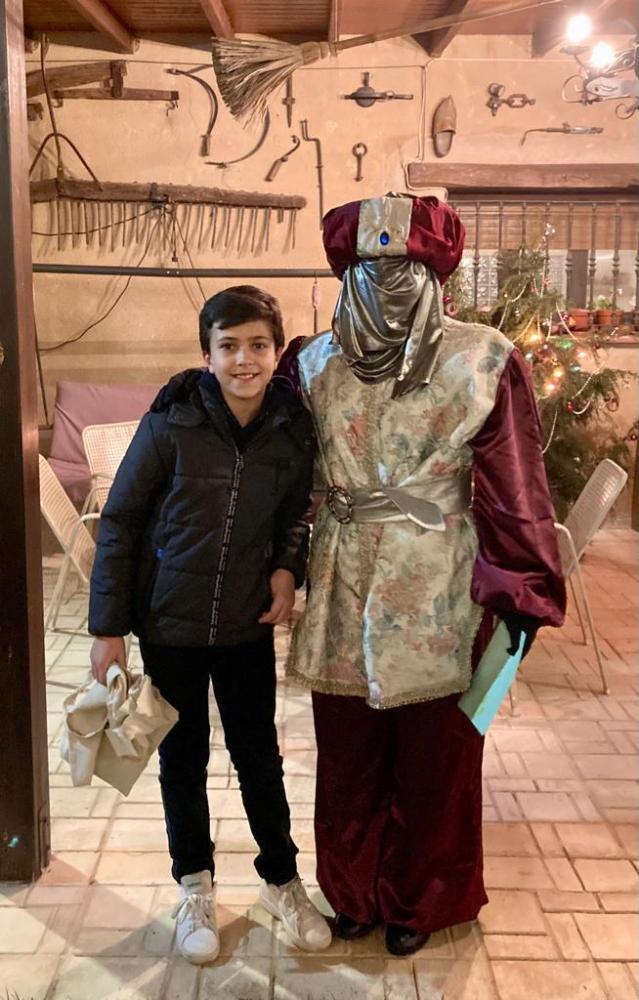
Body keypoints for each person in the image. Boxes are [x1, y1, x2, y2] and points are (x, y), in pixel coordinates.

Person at [283, 194, 567, 956]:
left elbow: (513, 485)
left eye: (402, 270)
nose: (387, 286)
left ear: (433, 276)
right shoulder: (310, 362)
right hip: (341, 575)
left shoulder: (483, 358)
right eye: (370, 271)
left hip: (440, 581)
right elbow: (282, 474)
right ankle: (352, 889)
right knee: (347, 752)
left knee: (436, 755)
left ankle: (423, 896)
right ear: (347, 274)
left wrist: (519, 587)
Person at [88, 286, 331, 965]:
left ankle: (281, 881)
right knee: (182, 759)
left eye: (257, 345)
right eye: (229, 346)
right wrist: (107, 628)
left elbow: (296, 513)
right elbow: (121, 522)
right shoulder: (172, 421)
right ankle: (194, 885)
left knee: (259, 758)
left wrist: (286, 569)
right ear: (207, 354)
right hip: (170, 624)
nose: (243, 359)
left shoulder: (290, 427)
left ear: (276, 353)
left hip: (246, 626)